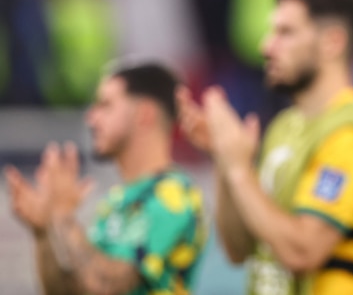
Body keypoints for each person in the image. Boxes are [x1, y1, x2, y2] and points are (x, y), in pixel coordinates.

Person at [177, 0, 353, 295]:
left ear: (332, 42)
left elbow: (302, 251)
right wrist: (225, 160)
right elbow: (240, 249)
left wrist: (239, 169)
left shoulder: (352, 134)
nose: (266, 46)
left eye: (285, 33)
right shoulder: (284, 127)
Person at [4, 62, 207, 295]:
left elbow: (105, 286)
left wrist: (61, 215)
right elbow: (68, 290)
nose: (91, 118)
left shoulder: (175, 198)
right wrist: (44, 232)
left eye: (105, 105)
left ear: (144, 114)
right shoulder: (116, 200)